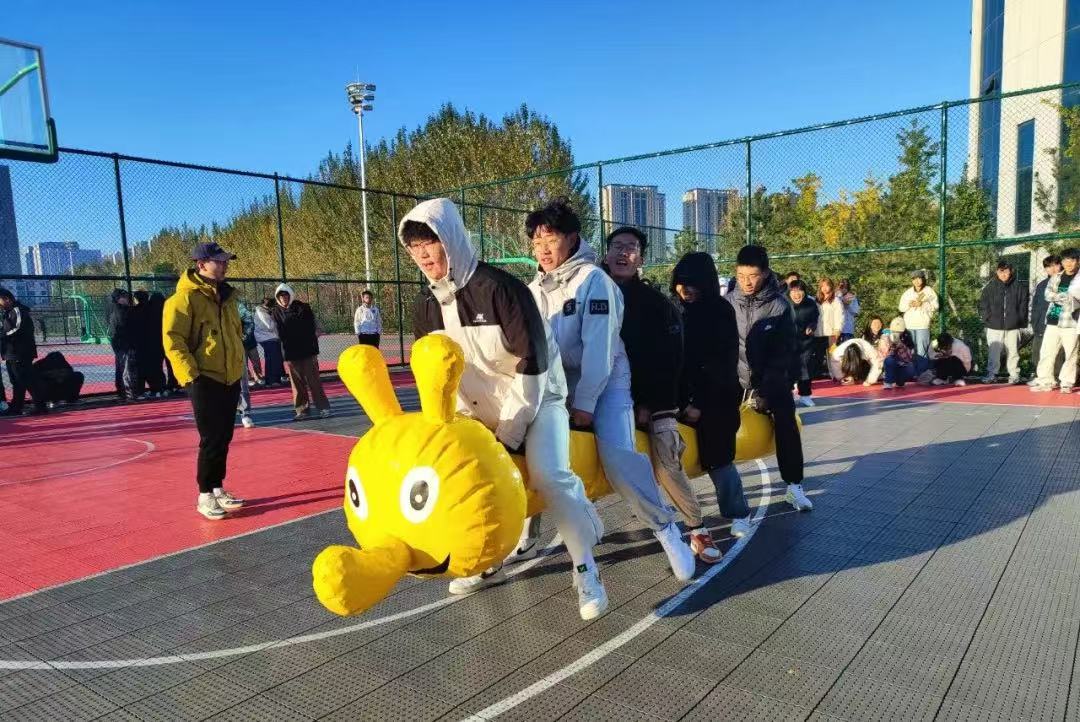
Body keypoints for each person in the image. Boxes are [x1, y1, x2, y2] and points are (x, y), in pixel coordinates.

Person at [401, 197, 608, 620]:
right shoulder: (425, 306)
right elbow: (434, 373)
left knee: (548, 476)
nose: (423, 255)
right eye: (414, 247)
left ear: (451, 240)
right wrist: (459, 427)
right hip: (478, 411)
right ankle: (487, 560)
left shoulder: (501, 289)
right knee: (466, 480)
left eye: (430, 243)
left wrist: (509, 434)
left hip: (539, 398)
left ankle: (586, 568)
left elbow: (533, 364)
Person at [523, 199, 695, 583]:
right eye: (536, 242)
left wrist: (585, 404)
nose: (543, 249)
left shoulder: (594, 281)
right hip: (559, 384)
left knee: (618, 459)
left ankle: (666, 528)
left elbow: (599, 351)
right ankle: (525, 533)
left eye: (550, 239)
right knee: (528, 446)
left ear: (572, 238)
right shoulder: (533, 289)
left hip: (607, 382)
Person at [603, 227, 721, 564]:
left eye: (631, 248)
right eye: (617, 246)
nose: (623, 253)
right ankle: (527, 535)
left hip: (652, 398)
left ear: (640, 258)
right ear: (606, 253)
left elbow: (670, 361)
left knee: (666, 458)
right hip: (594, 394)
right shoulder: (588, 291)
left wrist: (650, 404)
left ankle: (696, 527)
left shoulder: (656, 304)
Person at [673, 252, 759, 539]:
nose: (684, 289)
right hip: (681, 398)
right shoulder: (676, 309)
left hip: (715, 399)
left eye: (692, 283)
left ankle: (739, 512)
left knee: (718, 459)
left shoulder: (720, 311)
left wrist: (698, 404)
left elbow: (721, 365)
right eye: (680, 283)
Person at [162, 242, 246, 520]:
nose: (224, 265)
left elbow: (235, 332)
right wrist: (191, 376)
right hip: (204, 378)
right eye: (218, 261)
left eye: (225, 261)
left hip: (230, 376)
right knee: (210, 438)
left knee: (224, 435)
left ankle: (218, 487)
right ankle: (205, 494)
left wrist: (238, 363)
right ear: (201, 265)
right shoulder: (184, 299)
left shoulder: (228, 297)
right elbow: (173, 340)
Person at [726, 245, 813, 512]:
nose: (746, 282)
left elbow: (783, 352)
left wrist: (764, 390)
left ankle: (794, 486)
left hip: (770, 379)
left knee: (785, 418)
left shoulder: (779, 306)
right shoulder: (728, 302)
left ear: (764, 273)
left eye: (752, 276)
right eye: (741, 276)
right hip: (735, 377)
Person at [271, 284, 332, 420]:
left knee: (313, 380)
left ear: (290, 295)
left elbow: (313, 324)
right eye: (280, 296)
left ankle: (323, 408)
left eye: (286, 295)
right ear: (277, 298)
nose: (283, 298)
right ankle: (302, 410)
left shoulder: (303, 307)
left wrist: (316, 332)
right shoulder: (275, 312)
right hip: (291, 352)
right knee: (297, 383)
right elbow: (275, 330)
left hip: (308, 350)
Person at [1032, 248, 1080, 394]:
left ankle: (1066, 383)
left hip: (1070, 322)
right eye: (1065, 260)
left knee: (1070, 354)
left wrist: (1058, 296)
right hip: (1052, 321)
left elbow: (1076, 297)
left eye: (1072, 260)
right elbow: (1047, 294)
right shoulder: (1056, 277)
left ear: (1077, 261)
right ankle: (1045, 381)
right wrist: (1065, 296)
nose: (1068, 263)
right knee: (1046, 352)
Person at [978, 260, 1028, 384]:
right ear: (997, 272)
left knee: (1013, 352)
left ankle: (1014, 375)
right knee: (993, 352)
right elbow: (983, 305)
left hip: (1013, 326)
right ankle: (992, 374)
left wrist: (1019, 321)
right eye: (1001, 271)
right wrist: (987, 318)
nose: (1003, 274)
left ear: (1010, 272)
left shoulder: (1019, 287)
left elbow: (1024, 306)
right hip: (994, 326)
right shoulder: (990, 287)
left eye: (1006, 271)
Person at [0, 288, 45, 416]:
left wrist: (2, 335)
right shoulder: (7, 313)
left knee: (26, 380)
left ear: (7, 299)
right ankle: (17, 407)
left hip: (20, 352)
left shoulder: (18, 310)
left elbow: (17, 328)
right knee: (17, 381)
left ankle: (40, 406)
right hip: (11, 353)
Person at [1029, 254, 1063, 385]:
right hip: (1041, 325)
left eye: (1055, 265)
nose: (1052, 269)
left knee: (1058, 353)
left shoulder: (1066, 282)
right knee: (1038, 353)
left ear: (1060, 265)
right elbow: (1035, 306)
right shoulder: (1041, 285)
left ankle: (1058, 378)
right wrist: (1034, 323)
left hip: (1059, 324)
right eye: (1048, 267)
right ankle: (1039, 376)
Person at [788, 280, 819, 407]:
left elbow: (815, 319)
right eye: (793, 291)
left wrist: (811, 326)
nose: (796, 294)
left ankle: (805, 395)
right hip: (787, 342)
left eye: (799, 291)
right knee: (787, 368)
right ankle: (788, 394)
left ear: (804, 292)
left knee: (805, 367)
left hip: (805, 342)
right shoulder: (783, 303)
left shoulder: (811, 304)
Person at [898, 270, 938, 357]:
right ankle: (911, 366)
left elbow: (936, 306)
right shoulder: (908, 293)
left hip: (923, 325)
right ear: (912, 280)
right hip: (909, 325)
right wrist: (909, 304)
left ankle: (922, 366)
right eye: (914, 279)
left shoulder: (929, 291)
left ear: (923, 279)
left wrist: (923, 304)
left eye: (919, 278)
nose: (916, 281)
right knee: (910, 351)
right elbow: (901, 308)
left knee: (922, 352)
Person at [108, 288, 137, 400]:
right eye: (124, 297)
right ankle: (129, 393)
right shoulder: (121, 311)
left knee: (122, 367)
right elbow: (125, 327)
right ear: (119, 299)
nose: (127, 299)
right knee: (126, 368)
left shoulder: (115, 309)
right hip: (124, 344)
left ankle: (123, 391)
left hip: (120, 343)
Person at [814, 277, 844, 381]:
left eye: (827, 285)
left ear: (831, 286)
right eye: (822, 286)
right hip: (819, 332)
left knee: (833, 354)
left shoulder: (836, 300)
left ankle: (836, 374)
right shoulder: (816, 300)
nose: (825, 288)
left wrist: (837, 329)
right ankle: (817, 374)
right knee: (818, 355)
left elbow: (840, 316)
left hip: (832, 333)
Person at [254, 296, 286, 386]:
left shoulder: (265, 311)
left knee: (276, 358)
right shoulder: (261, 312)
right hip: (266, 338)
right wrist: (274, 319)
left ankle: (276, 379)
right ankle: (271, 380)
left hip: (271, 337)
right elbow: (270, 326)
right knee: (272, 359)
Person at [237, 302, 264, 386]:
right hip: (240, 343)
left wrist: (245, 334)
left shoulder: (247, 315)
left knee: (256, 360)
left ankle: (258, 376)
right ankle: (248, 378)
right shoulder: (233, 314)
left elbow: (250, 323)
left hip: (251, 342)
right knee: (244, 363)